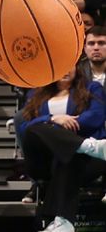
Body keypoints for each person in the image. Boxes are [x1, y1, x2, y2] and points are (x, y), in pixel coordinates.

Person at [17, 66, 106, 232]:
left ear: (76, 67)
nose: (65, 70)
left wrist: (59, 129)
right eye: (60, 66)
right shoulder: (36, 93)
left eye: (69, 66)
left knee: (68, 156)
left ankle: (63, 223)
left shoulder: (92, 88)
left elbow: (96, 117)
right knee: (33, 129)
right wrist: (53, 119)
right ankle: (87, 146)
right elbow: (24, 127)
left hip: (85, 161)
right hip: (44, 161)